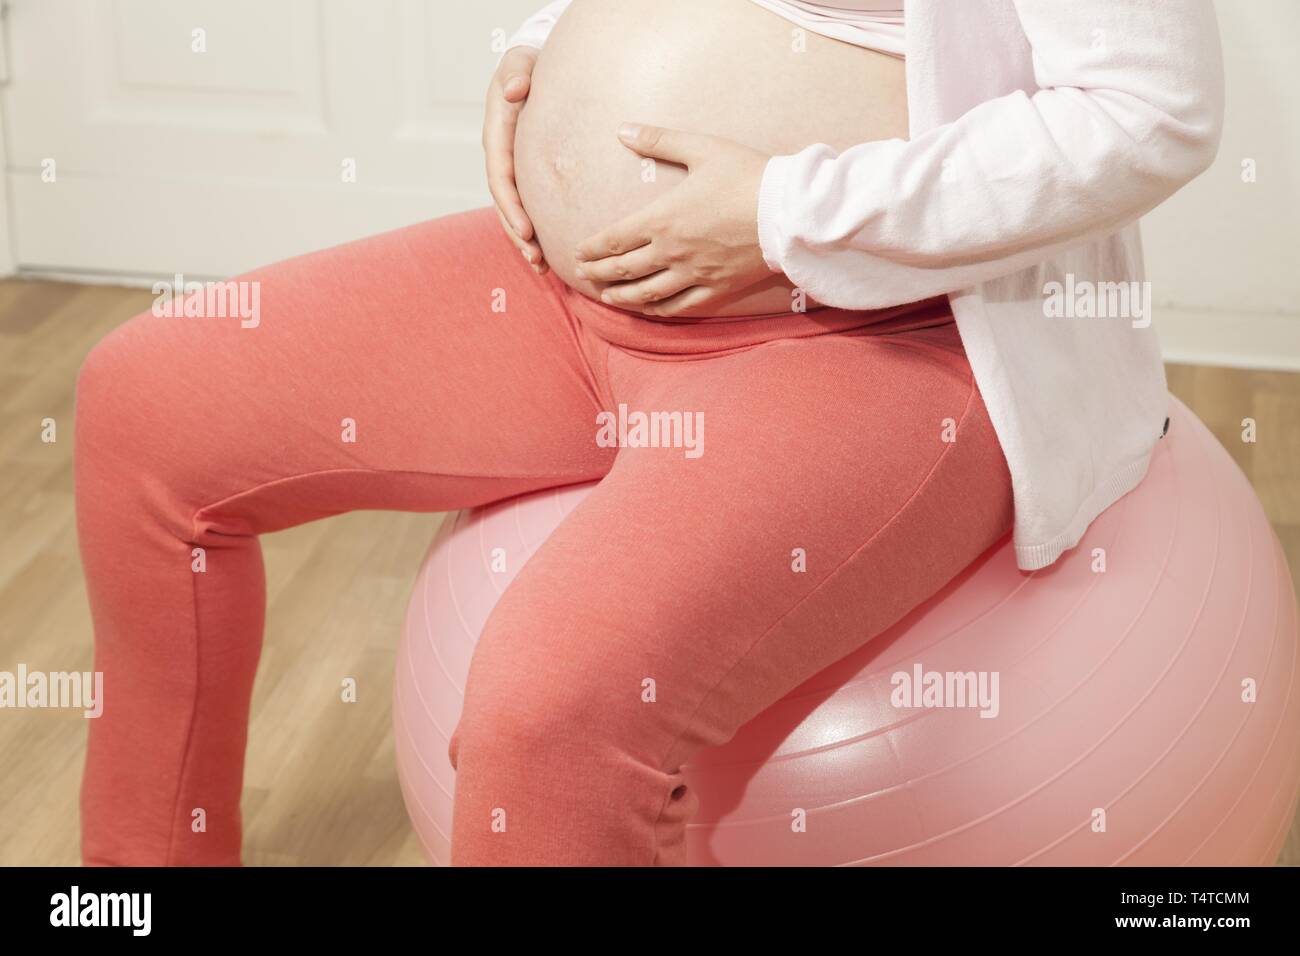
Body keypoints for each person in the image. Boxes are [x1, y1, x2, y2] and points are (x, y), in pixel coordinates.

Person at [75, 0, 1224, 865]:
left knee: (549, 714)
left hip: (877, 340)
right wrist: (540, 56)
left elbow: (1146, 116)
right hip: (568, 293)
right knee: (146, 403)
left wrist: (783, 216)